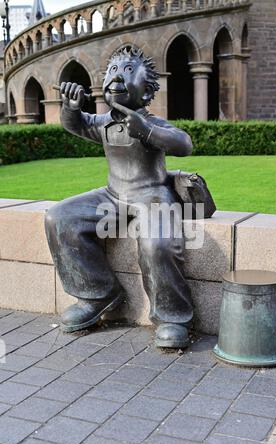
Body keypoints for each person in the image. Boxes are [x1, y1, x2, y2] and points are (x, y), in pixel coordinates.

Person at [45, 45, 194, 349]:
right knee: (60, 217)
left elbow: (184, 144)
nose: (117, 77)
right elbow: (76, 124)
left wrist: (147, 132)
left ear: (147, 89)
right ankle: (98, 294)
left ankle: (172, 317)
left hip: (152, 195)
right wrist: (71, 107)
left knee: (157, 244)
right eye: (113, 71)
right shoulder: (103, 123)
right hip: (113, 195)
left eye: (128, 71)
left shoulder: (151, 123)